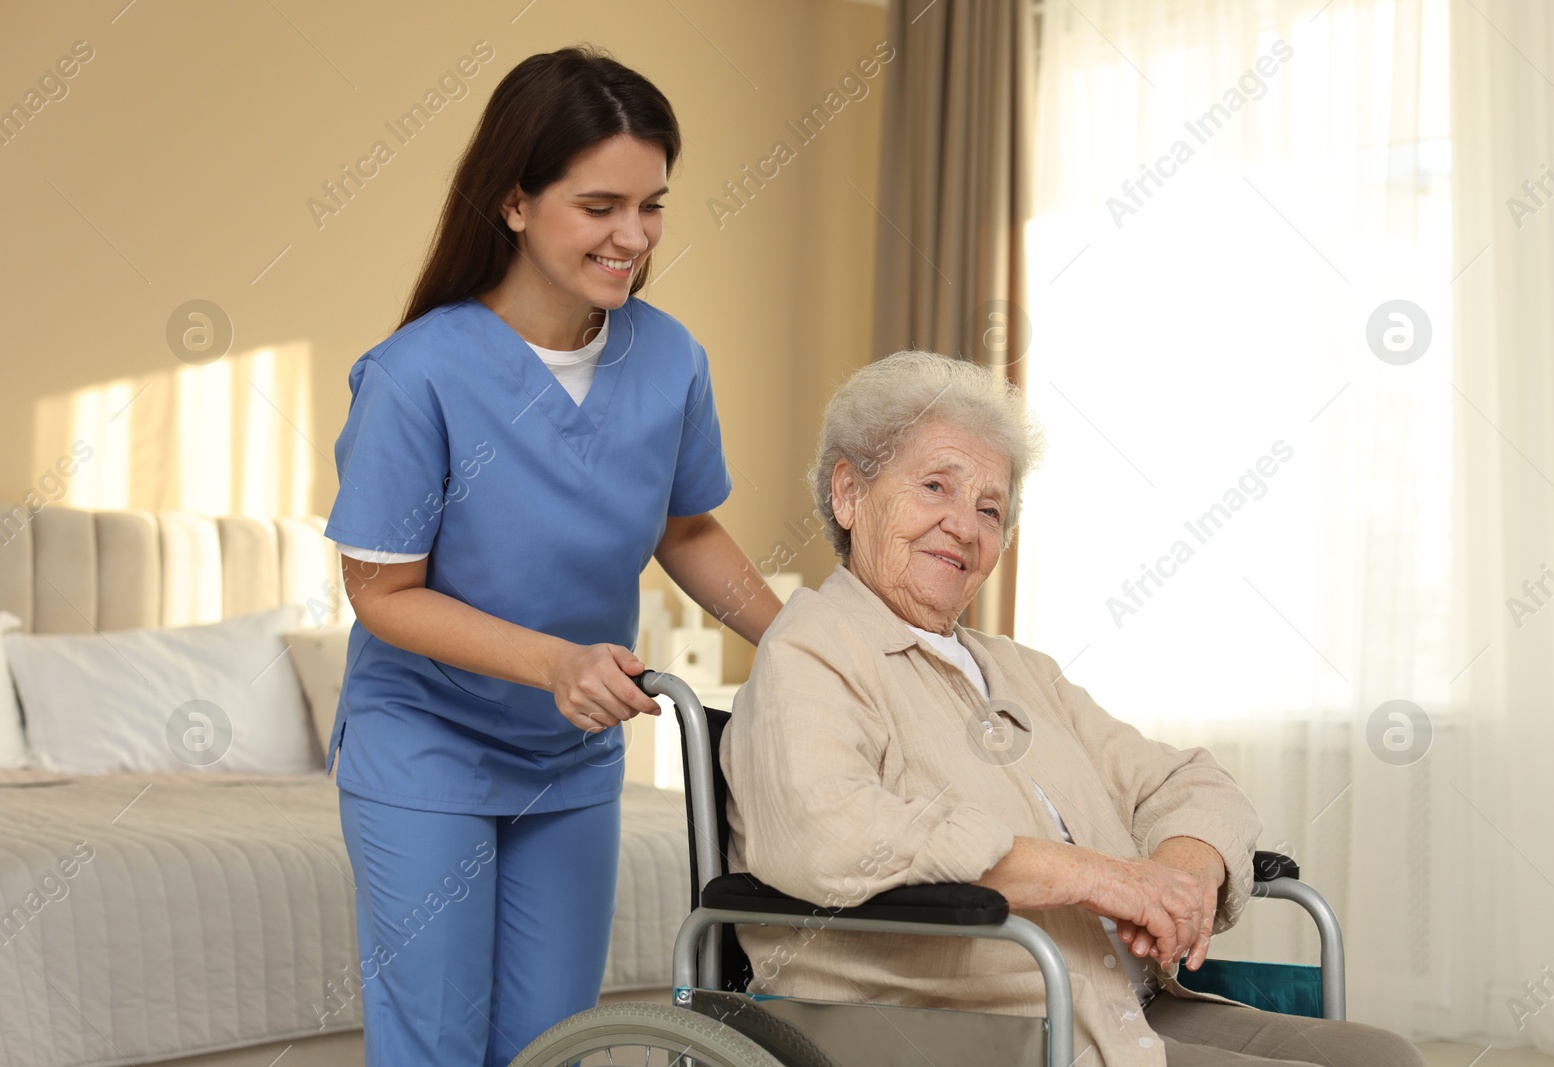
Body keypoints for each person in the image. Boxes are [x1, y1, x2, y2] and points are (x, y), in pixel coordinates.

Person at [721, 351, 1424, 1067]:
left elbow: (1186, 780)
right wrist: (1096, 874)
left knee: (1385, 1056)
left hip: (1122, 1006)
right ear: (849, 493)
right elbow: (829, 832)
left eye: (990, 509)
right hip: (970, 1029)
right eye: (936, 486)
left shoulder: (1020, 671)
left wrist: (1180, 874)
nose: (964, 526)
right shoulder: (810, 651)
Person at [324, 47, 782, 1066]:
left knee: (552, 1043)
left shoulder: (667, 356)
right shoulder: (416, 376)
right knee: (437, 1040)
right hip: (426, 744)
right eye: (600, 205)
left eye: (653, 205)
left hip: (569, 756)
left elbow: (686, 526)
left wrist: (798, 639)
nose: (633, 237)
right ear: (514, 201)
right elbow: (381, 592)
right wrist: (555, 662)